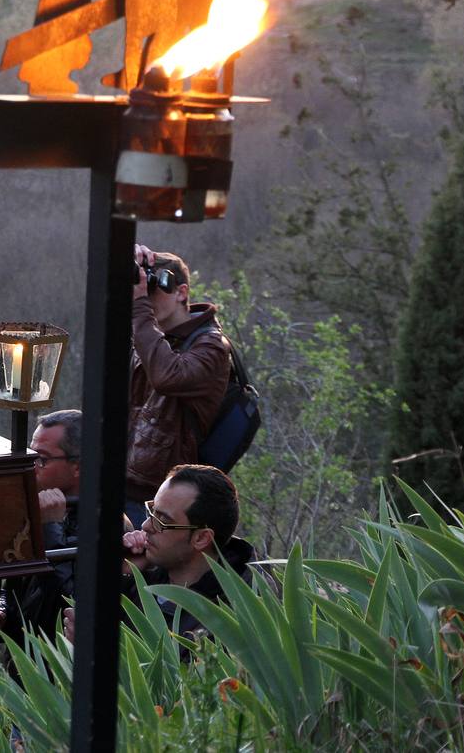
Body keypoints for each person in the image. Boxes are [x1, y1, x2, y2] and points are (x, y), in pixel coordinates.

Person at [126, 244, 231, 527]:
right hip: (121, 484)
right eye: (141, 289)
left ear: (182, 292)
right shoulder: (149, 336)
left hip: (158, 501)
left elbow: (166, 376)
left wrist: (139, 311)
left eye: (153, 289)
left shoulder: (212, 347)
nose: (145, 298)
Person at [0, 410, 82, 655]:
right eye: (30, 454)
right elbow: (17, 589)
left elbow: (67, 602)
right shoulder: (31, 508)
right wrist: (0, 613)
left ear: (78, 467)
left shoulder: (107, 526)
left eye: (41, 459)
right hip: (25, 677)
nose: (31, 466)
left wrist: (49, 528)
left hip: (62, 679)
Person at [119, 463, 257, 639]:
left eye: (163, 521)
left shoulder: (231, 618)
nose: (146, 526)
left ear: (201, 538)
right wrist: (125, 576)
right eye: (151, 511)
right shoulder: (143, 575)